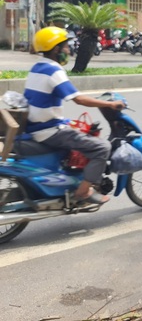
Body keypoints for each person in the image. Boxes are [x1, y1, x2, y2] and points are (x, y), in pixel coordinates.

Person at [24, 26, 125, 204]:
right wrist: (109, 104)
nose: (68, 50)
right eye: (65, 46)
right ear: (56, 49)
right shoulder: (53, 70)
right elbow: (78, 99)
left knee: (82, 129)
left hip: (36, 125)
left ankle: (71, 181)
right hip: (49, 130)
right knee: (102, 148)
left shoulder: (37, 67)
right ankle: (84, 191)